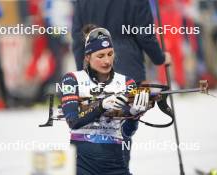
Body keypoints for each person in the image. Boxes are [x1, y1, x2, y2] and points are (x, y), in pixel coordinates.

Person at [61, 27, 150, 175]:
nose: (107, 60)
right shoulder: (72, 79)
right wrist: (101, 105)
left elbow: (127, 133)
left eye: (110, 54)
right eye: (100, 56)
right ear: (88, 57)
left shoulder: (127, 82)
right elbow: (73, 121)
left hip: (115, 162)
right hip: (82, 164)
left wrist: (134, 115)